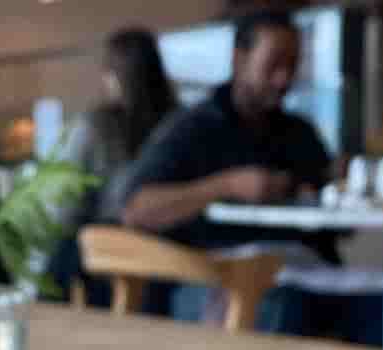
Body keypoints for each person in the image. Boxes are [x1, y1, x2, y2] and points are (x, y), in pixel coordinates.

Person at [115, 12, 333, 261]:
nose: (283, 78)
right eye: (273, 63)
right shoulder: (193, 128)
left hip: (306, 268)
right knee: (280, 300)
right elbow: (134, 210)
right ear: (239, 59)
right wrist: (225, 186)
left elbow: (341, 222)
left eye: (292, 65)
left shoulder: (301, 133)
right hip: (215, 274)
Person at [61, 28, 177, 221]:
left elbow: (63, 208)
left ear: (116, 76)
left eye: (107, 70)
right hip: (172, 245)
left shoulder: (93, 126)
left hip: (108, 244)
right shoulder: (179, 123)